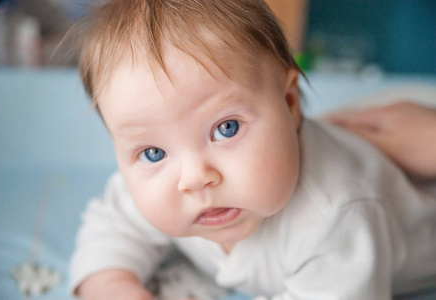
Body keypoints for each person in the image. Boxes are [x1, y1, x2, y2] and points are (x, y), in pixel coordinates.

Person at [68, 1, 436, 299]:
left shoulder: (335, 217)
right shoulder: (160, 190)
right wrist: (112, 284)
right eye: (152, 153)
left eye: (225, 129)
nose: (195, 179)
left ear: (290, 102)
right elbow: (111, 227)